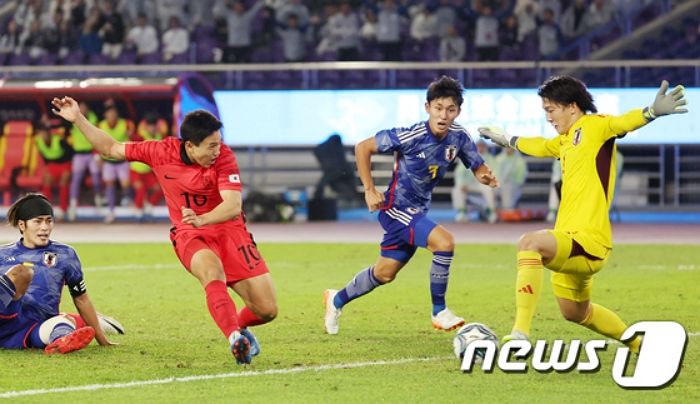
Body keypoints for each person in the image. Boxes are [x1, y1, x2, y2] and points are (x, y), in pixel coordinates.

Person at [51, 97, 278, 365]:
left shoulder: (223, 157)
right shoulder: (161, 152)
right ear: (190, 146)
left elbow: (232, 205)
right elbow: (111, 148)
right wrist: (78, 119)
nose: (218, 150)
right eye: (211, 146)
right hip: (190, 234)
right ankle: (234, 339)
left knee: (267, 309)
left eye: (219, 142)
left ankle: (238, 327)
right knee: (211, 270)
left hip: (230, 231)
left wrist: (203, 219)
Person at [478, 76, 687, 351]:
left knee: (530, 243)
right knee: (576, 313)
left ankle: (520, 333)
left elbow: (621, 122)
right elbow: (540, 145)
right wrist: (506, 139)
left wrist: (651, 112)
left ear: (572, 107)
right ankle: (639, 345)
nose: (548, 118)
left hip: (589, 240)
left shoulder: (595, 126)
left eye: (551, 110)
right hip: (570, 241)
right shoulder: (564, 141)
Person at [323, 76, 498, 335]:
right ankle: (439, 311)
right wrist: (370, 190)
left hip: (418, 211)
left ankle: (336, 300)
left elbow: (476, 164)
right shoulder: (411, 136)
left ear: (458, 111)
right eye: (438, 108)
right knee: (445, 243)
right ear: (427, 108)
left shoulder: (459, 137)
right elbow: (363, 148)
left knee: (384, 273)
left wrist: (483, 174)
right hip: (396, 209)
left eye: (450, 109)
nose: (443, 115)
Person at [1, 194, 118, 354]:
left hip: (35, 328)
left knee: (62, 324)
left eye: (49, 221)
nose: (45, 227)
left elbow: (81, 298)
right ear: (22, 225)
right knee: (23, 272)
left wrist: (102, 340)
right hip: (5, 319)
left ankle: (60, 342)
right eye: (38, 221)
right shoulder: (3, 254)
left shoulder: (65, 254)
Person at [98, 104, 133, 223]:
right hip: (108, 160)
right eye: (109, 113)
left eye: (113, 113)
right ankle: (111, 211)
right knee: (109, 184)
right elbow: (96, 141)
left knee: (125, 184)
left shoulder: (125, 124)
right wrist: (97, 157)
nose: (112, 116)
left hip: (122, 159)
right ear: (105, 115)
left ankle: (127, 198)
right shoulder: (101, 125)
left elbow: (132, 139)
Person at [67, 101, 102, 222]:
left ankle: (98, 199)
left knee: (96, 177)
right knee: (76, 179)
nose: (82, 110)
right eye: (80, 108)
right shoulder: (72, 117)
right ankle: (73, 205)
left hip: (91, 153)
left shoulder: (93, 118)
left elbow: (98, 135)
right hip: (79, 155)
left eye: (84, 108)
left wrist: (97, 154)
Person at [34, 120, 72, 221]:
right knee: (47, 180)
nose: (43, 135)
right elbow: (44, 155)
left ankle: (63, 210)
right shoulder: (38, 141)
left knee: (64, 180)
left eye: (45, 132)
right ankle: (45, 210)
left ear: (48, 133)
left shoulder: (59, 140)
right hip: (52, 165)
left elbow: (70, 152)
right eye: (40, 132)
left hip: (65, 164)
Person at [451, 139, 498, 223]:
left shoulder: (491, 159)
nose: (480, 148)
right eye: (478, 146)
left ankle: (491, 213)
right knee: (457, 189)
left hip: (484, 184)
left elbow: (495, 174)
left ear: (485, 147)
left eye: (482, 146)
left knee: (488, 189)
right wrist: (462, 184)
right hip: (469, 185)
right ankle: (461, 212)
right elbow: (459, 173)